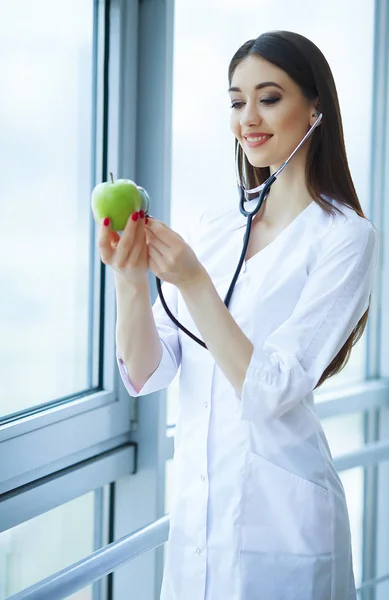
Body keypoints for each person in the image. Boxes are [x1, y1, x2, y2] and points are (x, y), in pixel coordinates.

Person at [97, 30, 379, 600]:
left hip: (285, 527)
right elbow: (152, 371)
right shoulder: (216, 226)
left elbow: (271, 389)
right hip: (199, 520)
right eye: (236, 101)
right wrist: (131, 282)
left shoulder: (345, 238)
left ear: (316, 107)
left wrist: (194, 281)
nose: (247, 117)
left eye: (269, 98)